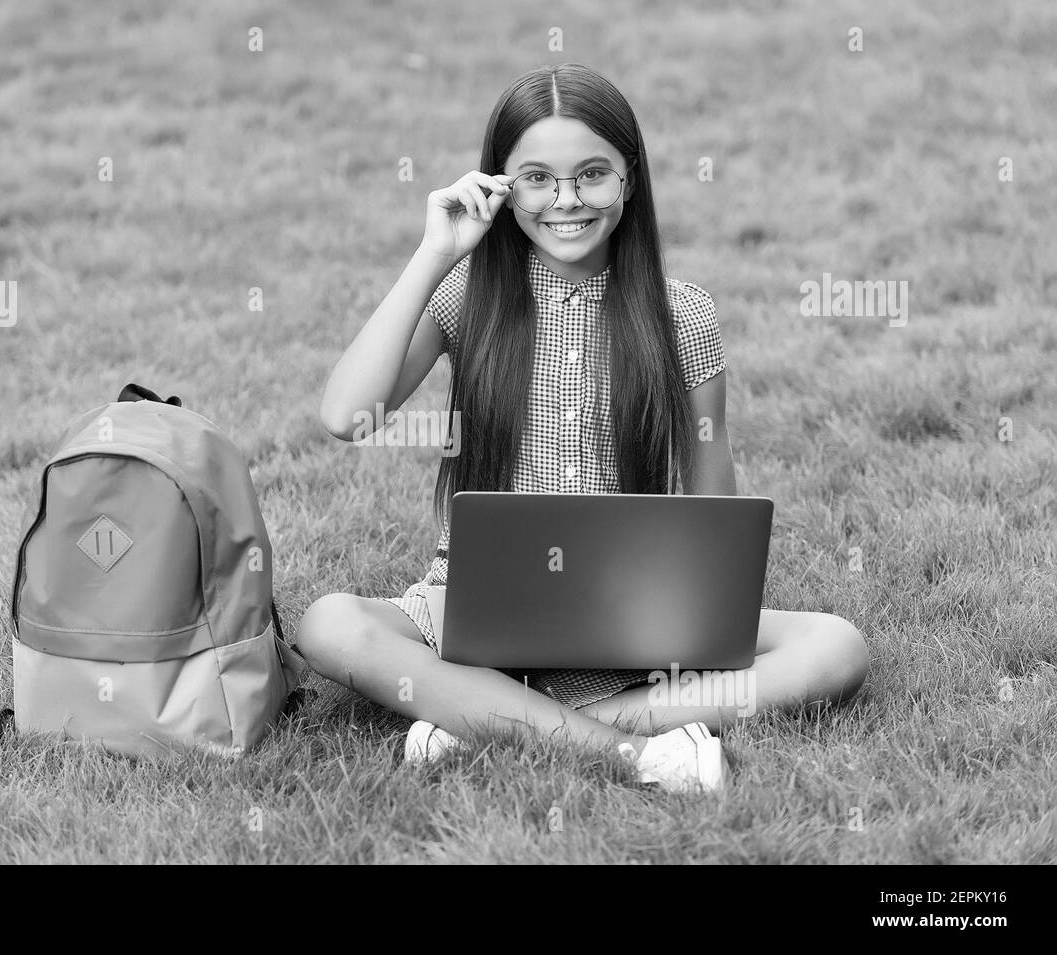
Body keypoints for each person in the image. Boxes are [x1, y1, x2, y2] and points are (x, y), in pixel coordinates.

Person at [297, 63, 869, 793]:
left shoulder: (682, 314)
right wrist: (435, 251)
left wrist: (690, 610)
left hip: (634, 608)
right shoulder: (466, 296)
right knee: (330, 625)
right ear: (499, 186)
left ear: (630, 179)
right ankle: (631, 745)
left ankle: (488, 719)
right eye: (536, 178)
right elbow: (345, 414)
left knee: (835, 645)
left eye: (592, 174)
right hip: (476, 601)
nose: (565, 200)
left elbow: (713, 506)